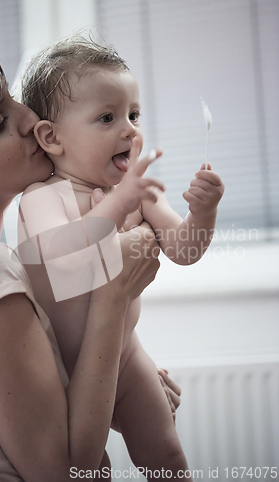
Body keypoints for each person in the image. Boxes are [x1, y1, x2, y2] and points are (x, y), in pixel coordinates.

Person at [0, 33, 176, 482]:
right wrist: (115, 293)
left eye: (12, 100)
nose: (31, 119)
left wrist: (118, 382)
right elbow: (66, 473)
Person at [18, 35, 224, 479]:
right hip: (58, 371)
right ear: (51, 137)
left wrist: (202, 213)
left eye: (134, 114)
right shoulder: (41, 198)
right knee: (94, 472)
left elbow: (184, 251)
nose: (130, 130)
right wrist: (118, 205)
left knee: (167, 455)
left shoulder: (136, 193)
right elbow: (61, 256)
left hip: (124, 355)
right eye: (108, 117)